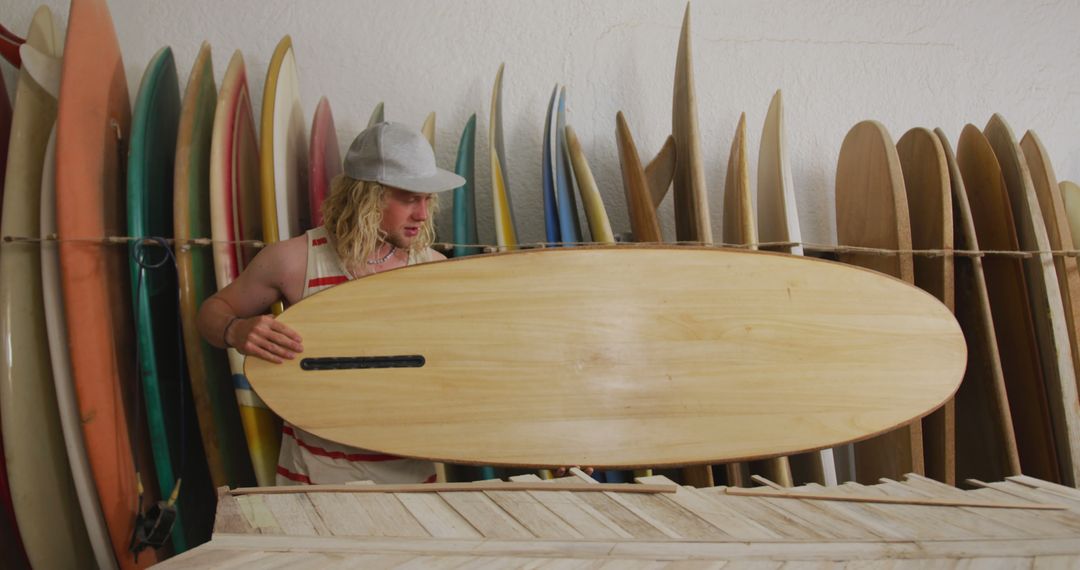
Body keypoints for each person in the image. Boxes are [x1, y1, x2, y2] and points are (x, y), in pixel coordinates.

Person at [197, 121, 463, 485]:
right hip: (312, 482)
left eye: (427, 198)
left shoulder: (432, 269)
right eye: (408, 197)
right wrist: (236, 329)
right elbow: (211, 312)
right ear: (366, 196)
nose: (422, 213)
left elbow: (470, 370)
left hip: (413, 482)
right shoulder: (296, 261)